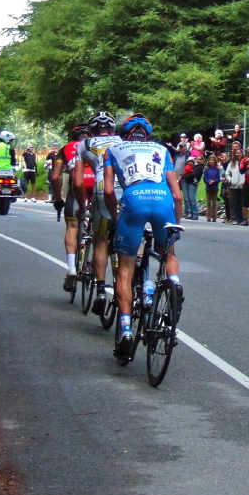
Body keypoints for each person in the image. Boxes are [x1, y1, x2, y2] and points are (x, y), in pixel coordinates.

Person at [103, 113, 183, 360]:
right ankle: (174, 284)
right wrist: (175, 227)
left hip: (134, 198)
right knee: (167, 253)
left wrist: (116, 220)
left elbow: (107, 190)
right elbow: (178, 195)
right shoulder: (161, 149)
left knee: (125, 270)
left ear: (125, 134)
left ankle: (126, 328)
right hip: (163, 199)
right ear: (147, 135)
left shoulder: (114, 149)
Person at [73, 111, 123, 315]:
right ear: (111, 129)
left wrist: (82, 207)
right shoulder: (123, 141)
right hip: (126, 190)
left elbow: (77, 182)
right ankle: (129, 284)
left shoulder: (84, 145)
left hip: (102, 191)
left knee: (101, 240)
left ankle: (101, 290)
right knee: (129, 240)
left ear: (92, 130)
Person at [52, 124, 93, 291]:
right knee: (100, 228)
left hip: (78, 185)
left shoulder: (67, 148)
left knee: (72, 226)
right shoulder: (97, 145)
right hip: (97, 185)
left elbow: (55, 177)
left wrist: (58, 199)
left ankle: (72, 268)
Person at [224, 148, 246, 225]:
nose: (238, 154)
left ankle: (241, 218)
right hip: (233, 186)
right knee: (234, 202)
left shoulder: (245, 162)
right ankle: (235, 218)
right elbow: (227, 173)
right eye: (236, 153)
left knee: (241, 202)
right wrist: (230, 180)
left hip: (242, 186)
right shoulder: (231, 163)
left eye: (239, 153)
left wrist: (244, 181)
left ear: (242, 154)